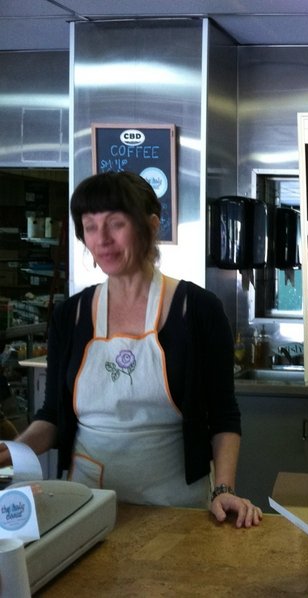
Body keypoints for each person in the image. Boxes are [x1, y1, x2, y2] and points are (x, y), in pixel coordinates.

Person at [7, 171, 261, 528]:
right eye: (90, 226)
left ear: (151, 226)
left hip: (177, 507)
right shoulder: (70, 315)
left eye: (116, 224)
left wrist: (224, 488)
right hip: (87, 505)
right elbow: (52, 416)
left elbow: (223, 415)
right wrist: (13, 451)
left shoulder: (198, 309)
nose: (102, 239)